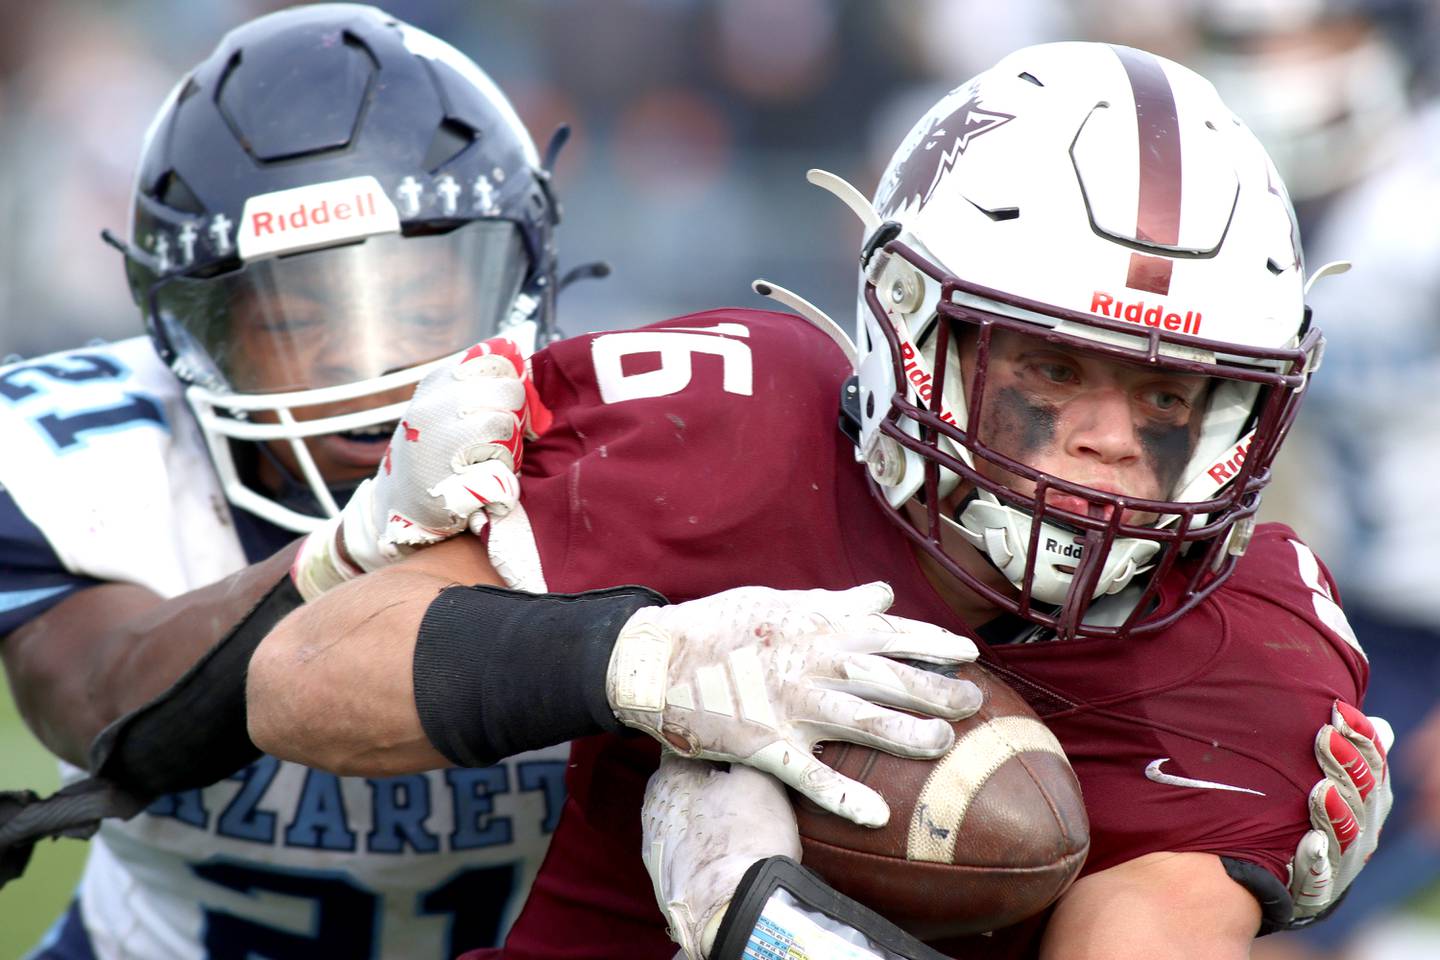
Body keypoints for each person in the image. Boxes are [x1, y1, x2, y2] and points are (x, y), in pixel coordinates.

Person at [241, 41, 1393, 958]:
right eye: (1050, 368)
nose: (1107, 436)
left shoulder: (1254, 637)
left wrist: (774, 932)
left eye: (1170, 392)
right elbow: (297, 682)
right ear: (916, 334)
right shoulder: (740, 425)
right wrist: (640, 662)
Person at [0, 6, 984, 958]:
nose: (367, 367)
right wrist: (347, 551)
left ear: (523, 274)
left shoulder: (646, 439)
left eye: (422, 301)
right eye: (299, 319)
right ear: (193, 329)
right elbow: (99, 699)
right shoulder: (85, 448)